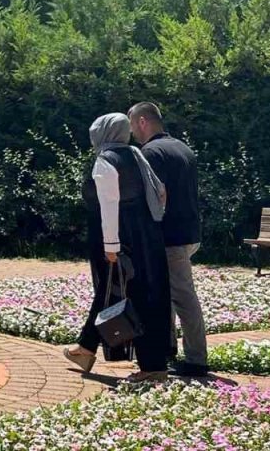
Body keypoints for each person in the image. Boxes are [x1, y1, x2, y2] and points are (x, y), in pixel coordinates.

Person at [62, 113, 173, 384]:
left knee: (127, 293)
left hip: (122, 237)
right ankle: (86, 348)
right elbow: (159, 191)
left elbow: (109, 205)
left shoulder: (105, 161)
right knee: (139, 292)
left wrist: (110, 246)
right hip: (147, 234)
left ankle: (151, 367)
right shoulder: (135, 153)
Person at [130, 101, 208, 377]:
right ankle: (169, 349)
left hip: (170, 235)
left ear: (142, 121)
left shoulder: (150, 152)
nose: (132, 133)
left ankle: (197, 359)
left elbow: (157, 195)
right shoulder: (182, 147)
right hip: (190, 231)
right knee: (171, 294)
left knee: (183, 296)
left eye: (132, 125)